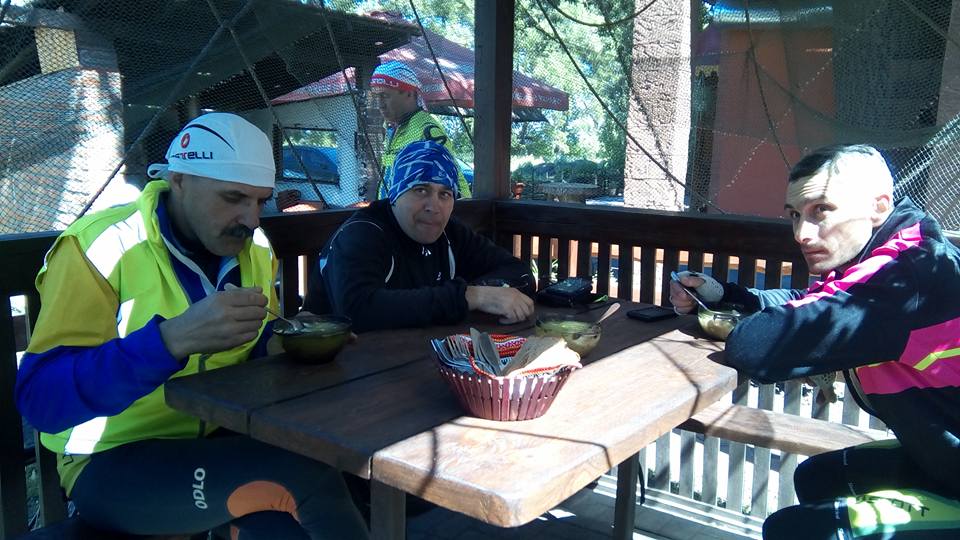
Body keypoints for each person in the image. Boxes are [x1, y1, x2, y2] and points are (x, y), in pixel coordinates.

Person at [15, 113, 368, 540]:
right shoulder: (102, 247)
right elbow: (40, 400)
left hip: (215, 443)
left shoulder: (255, 248)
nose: (251, 219)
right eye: (233, 197)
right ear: (179, 180)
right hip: (109, 461)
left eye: (260, 201)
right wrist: (170, 340)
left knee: (294, 517)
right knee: (307, 476)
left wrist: (288, 340)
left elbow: (253, 348)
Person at [670, 144, 960, 539]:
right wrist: (725, 297)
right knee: (817, 478)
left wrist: (741, 324)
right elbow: (808, 304)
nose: (801, 234)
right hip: (936, 455)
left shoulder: (901, 277)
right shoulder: (893, 253)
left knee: (793, 531)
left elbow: (755, 347)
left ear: (878, 206)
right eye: (794, 214)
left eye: (821, 210)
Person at [303, 140, 533, 332]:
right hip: (334, 365)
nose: (434, 207)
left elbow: (519, 272)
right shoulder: (363, 233)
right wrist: (470, 297)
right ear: (395, 194)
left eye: (445, 194)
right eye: (420, 190)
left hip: (415, 356)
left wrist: (489, 293)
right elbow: (357, 311)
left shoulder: (451, 233)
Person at [369, 60, 472, 200]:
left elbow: (447, 188)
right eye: (377, 97)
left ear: (409, 94)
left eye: (385, 96)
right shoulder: (394, 128)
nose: (380, 104)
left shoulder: (427, 131)